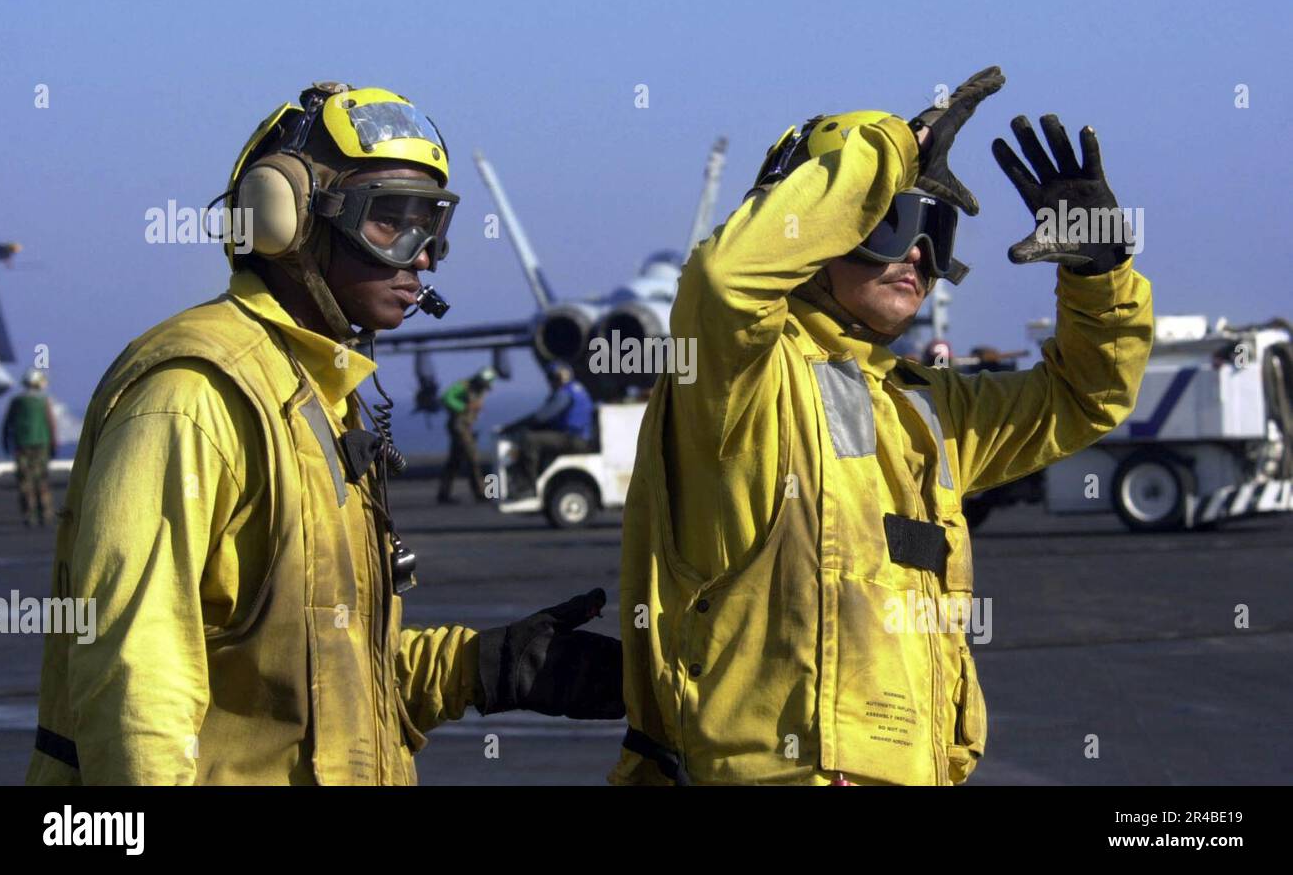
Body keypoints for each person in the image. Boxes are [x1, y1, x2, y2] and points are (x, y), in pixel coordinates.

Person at [28, 82, 622, 785]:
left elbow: (325, 683)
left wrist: (485, 667)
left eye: (431, 225)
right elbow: (137, 700)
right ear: (286, 220)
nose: (423, 256)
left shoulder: (316, 395)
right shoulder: (193, 397)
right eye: (391, 221)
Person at [612, 66, 1153, 785]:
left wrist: (1100, 273)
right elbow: (724, 281)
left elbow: (1087, 396)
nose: (918, 255)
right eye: (887, 223)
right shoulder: (738, 376)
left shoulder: (924, 406)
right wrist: (898, 145)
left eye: (936, 231)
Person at [500, 360, 595, 495]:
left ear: (558, 377)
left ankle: (528, 485)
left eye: (551, 377)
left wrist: (514, 426)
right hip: (579, 438)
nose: (550, 382)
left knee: (530, 440)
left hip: (573, 439)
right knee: (542, 439)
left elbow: (541, 417)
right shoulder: (577, 389)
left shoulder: (564, 393)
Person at [1, 367, 57, 526]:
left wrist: (5, 442)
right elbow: (51, 424)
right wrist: (53, 444)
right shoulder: (44, 401)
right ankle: (45, 513)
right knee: (42, 479)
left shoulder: (16, 402)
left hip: (21, 445)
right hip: (41, 445)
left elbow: (7, 424)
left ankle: (29, 514)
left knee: (25, 480)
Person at [437, 366, 496, 504]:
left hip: (466, 427)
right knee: (472, 458)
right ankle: (480, 492)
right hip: (459, 426)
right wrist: (463, 407)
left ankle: (444, 493)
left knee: (454, 461)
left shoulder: (481, 388)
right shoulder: (464, 386)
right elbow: (446, 397)